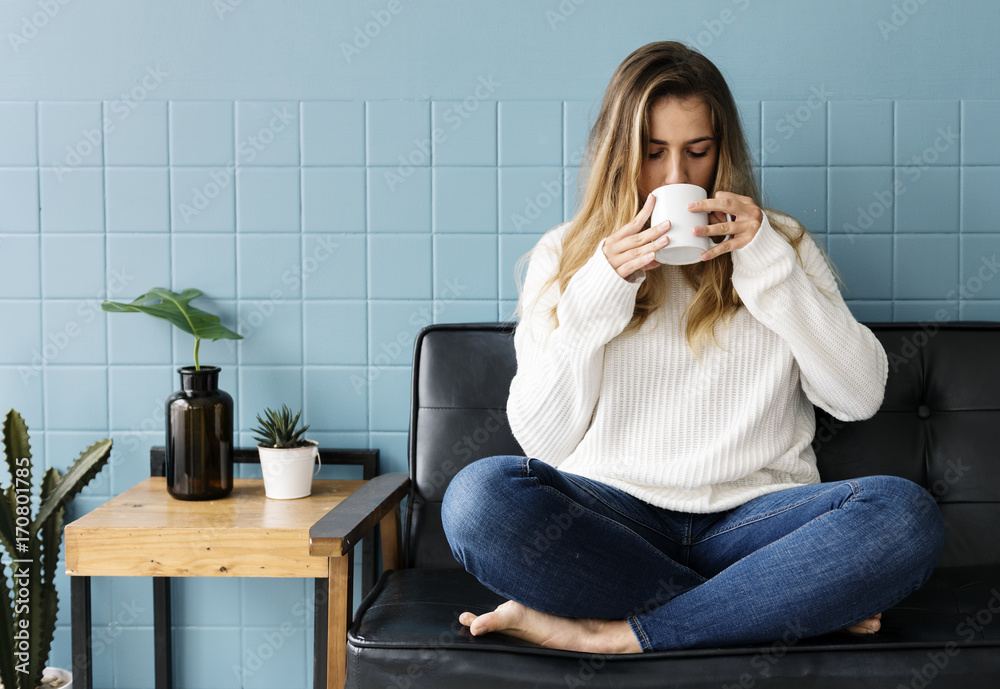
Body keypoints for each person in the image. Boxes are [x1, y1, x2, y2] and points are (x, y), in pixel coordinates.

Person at [440, 41, 945, 654]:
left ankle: (621, 634)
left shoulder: (778, 243)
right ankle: (776, 602)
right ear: (619, 155)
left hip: (756, 520)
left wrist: (766, 266)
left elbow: (859, 396)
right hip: (615, 520)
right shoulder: (567, 253)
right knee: (477, 501)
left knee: (904, 515)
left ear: (721, 153)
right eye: (653, 154)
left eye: (696, 152)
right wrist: (602, 290)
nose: (676, 178)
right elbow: (543, 440)